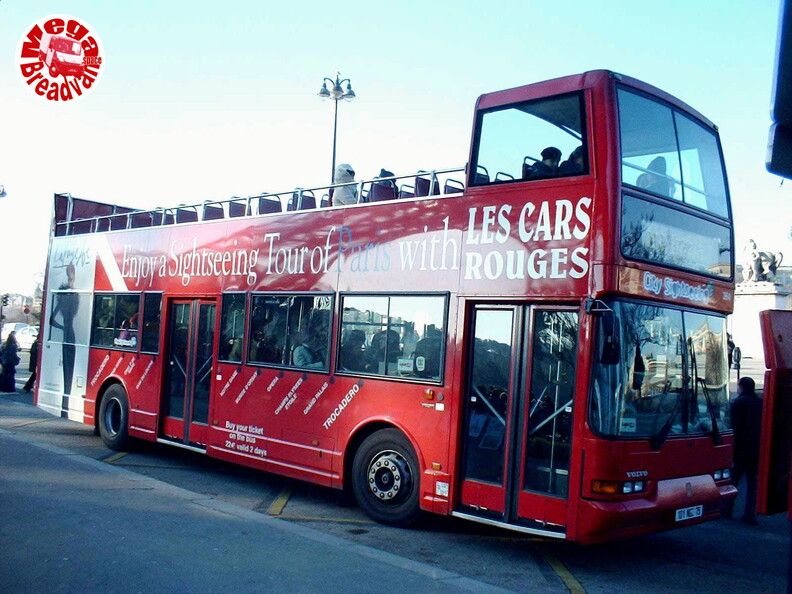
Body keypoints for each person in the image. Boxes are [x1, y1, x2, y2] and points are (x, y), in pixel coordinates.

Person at [726, 376, 763, 524]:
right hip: (755, 449)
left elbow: (733, 426)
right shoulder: (760, 402)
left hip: (740, 449)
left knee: (733, 481)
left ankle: (727, 508)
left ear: (741, 387)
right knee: (752, 484)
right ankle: (750, 513)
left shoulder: (738, 403)